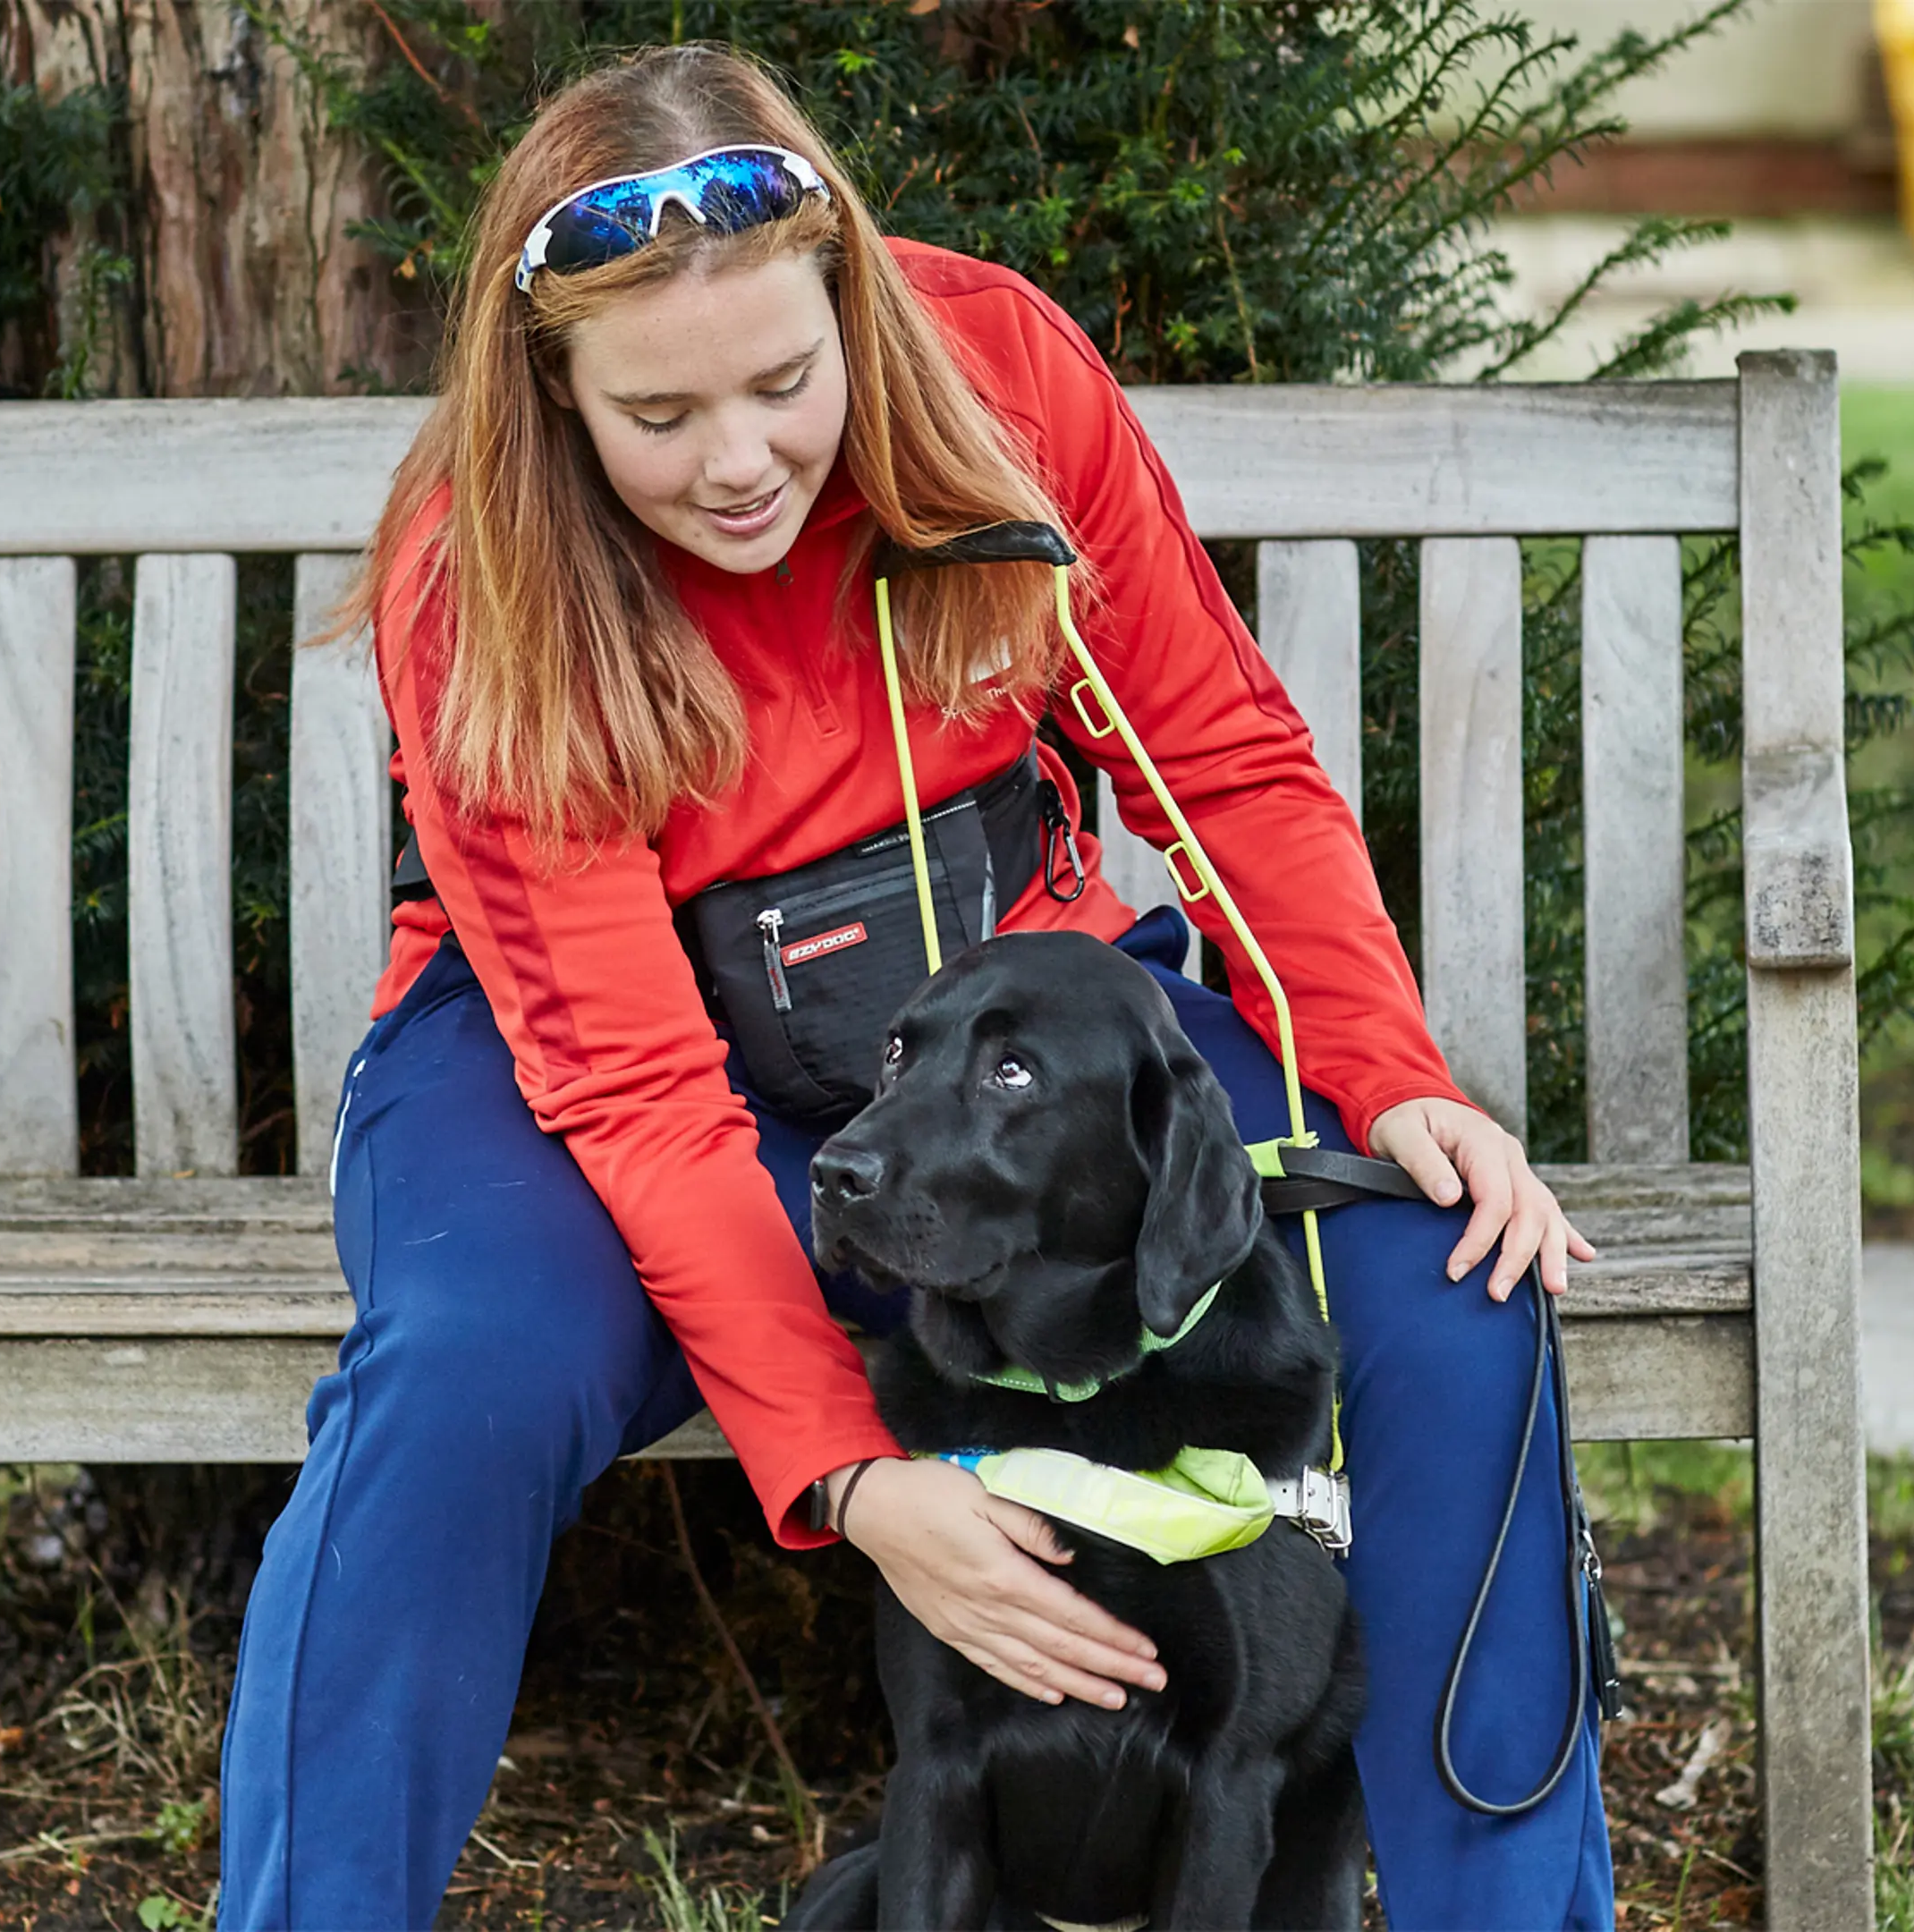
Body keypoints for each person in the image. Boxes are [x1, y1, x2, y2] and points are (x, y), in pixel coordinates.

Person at [219, 43, 1613, 1930]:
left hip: (995, 1026)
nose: (739, 459)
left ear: (854, 306)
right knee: (464, 1376)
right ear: (549, 393)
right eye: (660, 414)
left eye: (789, 383)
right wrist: (859, 1482)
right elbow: (636, 1094)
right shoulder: (482, 576)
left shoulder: (998, 371)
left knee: (1452, 1288)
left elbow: (1217, 756)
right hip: (585, 1069)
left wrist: (1388, 1073)